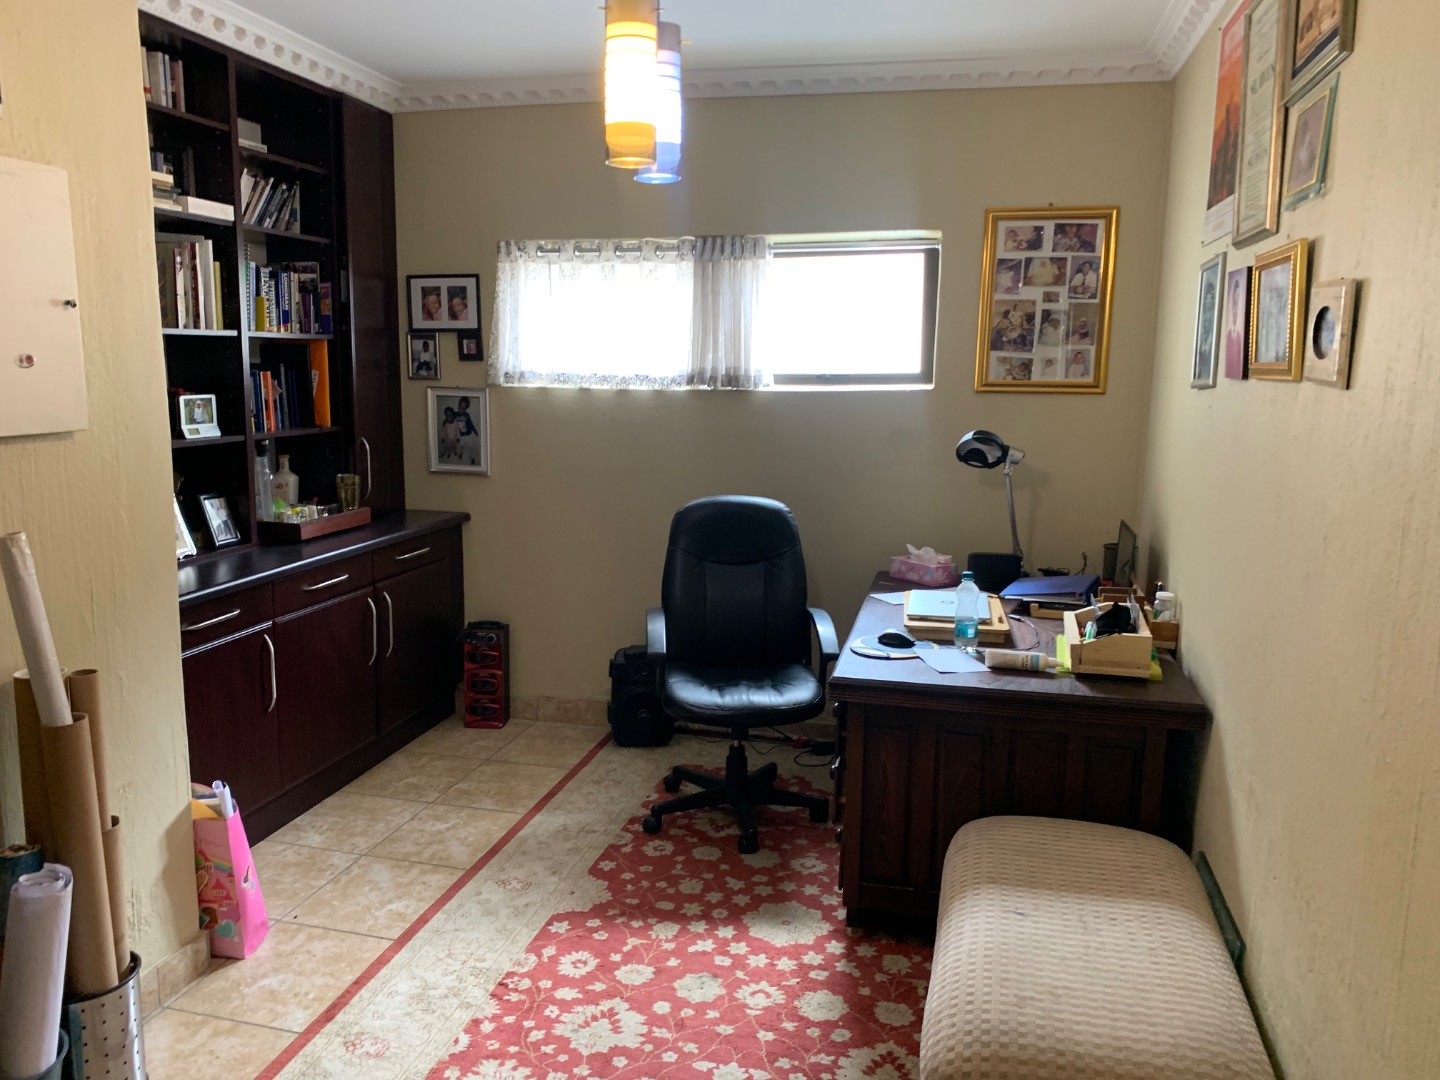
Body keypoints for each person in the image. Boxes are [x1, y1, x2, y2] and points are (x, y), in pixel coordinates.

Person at [453, 396, 480, 466]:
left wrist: (475, 431)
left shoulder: (467, 415)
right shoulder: (455, 414)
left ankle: (472, 457)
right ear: (458, 405)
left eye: (463, 407)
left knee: (471, 446)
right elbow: (449, 419)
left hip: (468, 434)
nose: (461, 409)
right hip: (460, 435)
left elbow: (470, 423)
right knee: (461, 445)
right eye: (460, 406)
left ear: (466, 408)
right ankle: (461, 453)